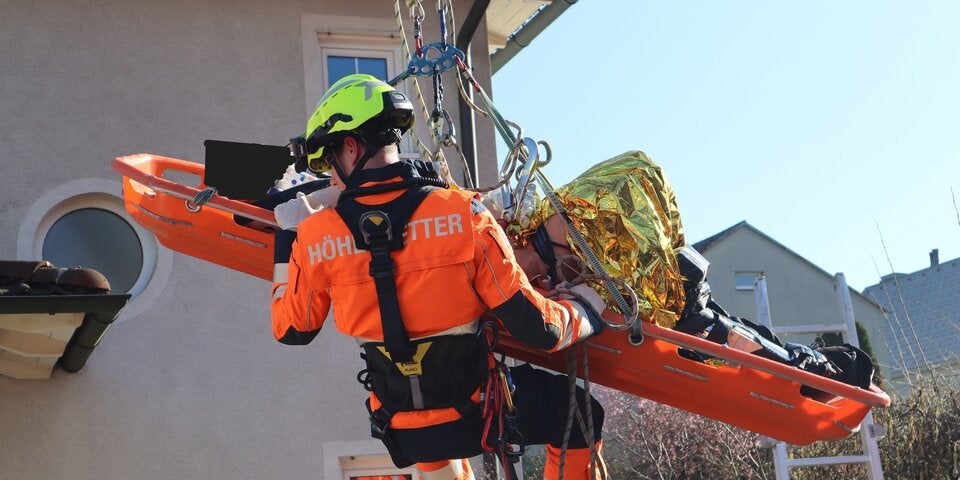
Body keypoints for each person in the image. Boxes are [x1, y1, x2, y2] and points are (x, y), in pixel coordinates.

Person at [270, 73, 608, 480]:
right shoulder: (464, 215)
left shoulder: (314, 238)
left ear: (351, 146)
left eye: (328, 163)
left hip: (403, 430)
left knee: (424, 420)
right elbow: (543, 331)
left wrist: (285, 243)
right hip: (478, 412)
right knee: (582, 413)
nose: (331, 178)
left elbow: (292, 329)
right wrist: (587, 305)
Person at [503, 151, 874, 389]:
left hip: (676, 298)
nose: (526, 281)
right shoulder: (549, 240)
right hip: (677, 296)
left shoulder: (559, 223)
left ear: (514, 244)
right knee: (742, 340)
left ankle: (826, 373)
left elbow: (637, 180)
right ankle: (827, 369)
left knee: (744, 351)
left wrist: (577, 290)